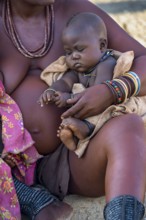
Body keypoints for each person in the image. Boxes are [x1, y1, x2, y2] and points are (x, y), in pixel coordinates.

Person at [0, 0, 146, 220]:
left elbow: (143, 59)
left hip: (73, 156)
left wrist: (112, 90)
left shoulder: (74, 11)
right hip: (8, 167)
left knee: (128, 126)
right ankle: (25, 196)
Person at [39, 12, 137, 158]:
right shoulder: (79, 69)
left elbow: (96, 94)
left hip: (105, 109)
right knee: (70, 119)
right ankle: (73, 133)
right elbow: (65, 81)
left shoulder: (106, 64)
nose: (74, 56)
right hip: (86, 110)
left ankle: (86, 128)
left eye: (80, 49)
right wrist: (52, 90)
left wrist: (69, 98)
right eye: (68, 52)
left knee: (108, 114)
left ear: (102, 46)